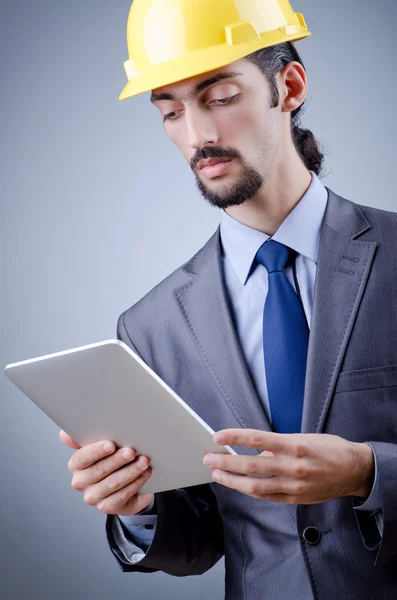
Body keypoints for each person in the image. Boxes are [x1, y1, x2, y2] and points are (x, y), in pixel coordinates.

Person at [60, 1, 397, 598]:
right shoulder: (152, 327)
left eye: (219, 98)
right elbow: (202, 542)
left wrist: (367, 471)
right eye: (170, 111)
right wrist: (137, 507)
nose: (198, 137)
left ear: (288, 86)